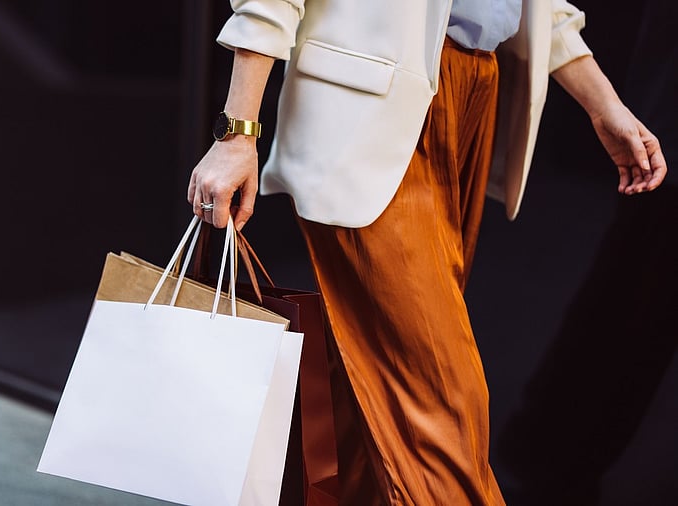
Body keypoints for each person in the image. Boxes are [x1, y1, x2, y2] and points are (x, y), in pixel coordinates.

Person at [186, 0, 668, 504]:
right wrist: (237, 131)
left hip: (474, 88)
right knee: (440, 404)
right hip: (368, 101)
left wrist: (603, 103)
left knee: (375, 395)